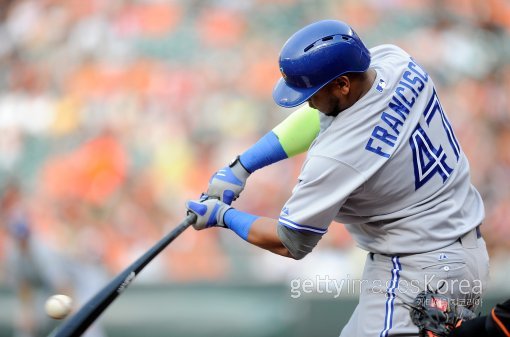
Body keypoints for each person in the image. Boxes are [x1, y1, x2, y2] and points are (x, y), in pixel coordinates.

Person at [185, 19, 489, 336]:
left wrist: (224, 217)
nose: (307, 100)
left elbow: (291, 241)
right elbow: (325, 115)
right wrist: (242, 166)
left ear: (343, 84)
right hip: (463, 253)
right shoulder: (395, 61)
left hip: (417, 271)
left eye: (312, 92)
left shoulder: (336, 156)